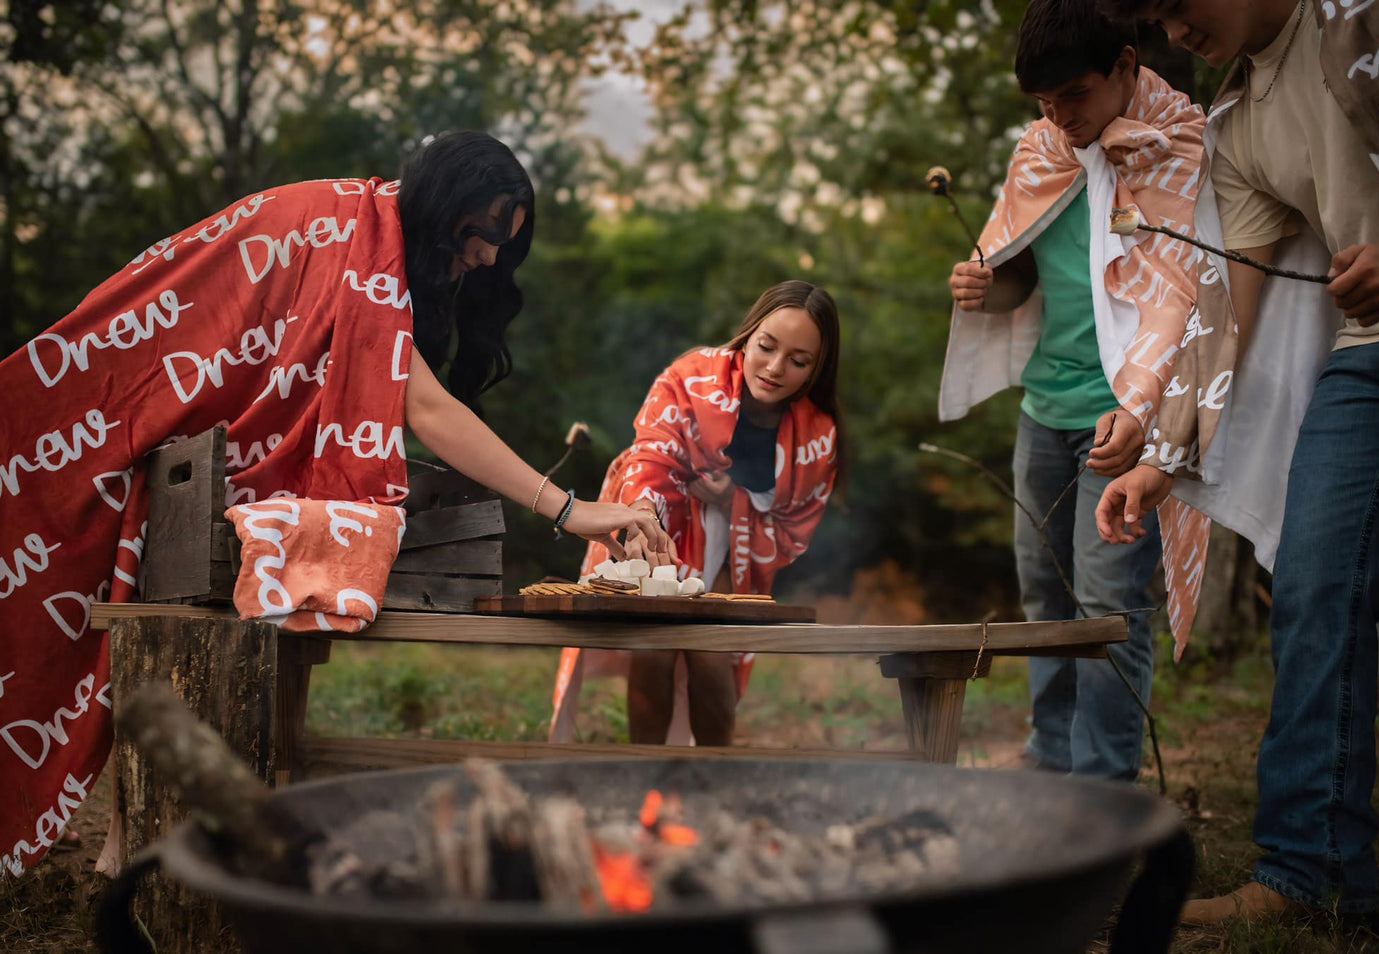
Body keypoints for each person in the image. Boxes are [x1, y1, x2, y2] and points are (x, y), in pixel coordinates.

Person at [0, 130, 671, 879]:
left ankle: (137, 844)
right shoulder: (354, 238)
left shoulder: (371, 233)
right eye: (482, 234)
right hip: (127, 407)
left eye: (501, 247)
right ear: (442, 203)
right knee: (88, 598)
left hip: (194, 447)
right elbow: (427, 408)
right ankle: (135, 846)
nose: (487, 258)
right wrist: (570, 510)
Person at [1095, 0, 1379, 925]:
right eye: (1153, 18)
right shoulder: (1238, 121)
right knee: (1313, 583)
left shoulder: (1377, 10)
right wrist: (1162, 456)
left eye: (1176, 4)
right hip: (1371, 355)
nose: (1172, 31)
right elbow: (1227, 311)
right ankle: (1311, 877)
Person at [940, 0, 1216, 781]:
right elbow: (1018, 280)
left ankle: (1100, 787)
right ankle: (1049, 757)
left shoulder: (1181, 149)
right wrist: (981, 287)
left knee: (1107, 609)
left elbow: (1194, 296)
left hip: (1123, 420)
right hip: (1042, 411)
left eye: (1074, 96)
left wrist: (1145, 412)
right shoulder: (1042, 149)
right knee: (1042, 597)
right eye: (1043, 103)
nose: (1059, 118)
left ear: (1126, 67)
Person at [549, 280, 843, 746]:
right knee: (653, 649)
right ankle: (647, 776)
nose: (774, 368)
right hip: (665, 524)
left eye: (798, 361)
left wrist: (736, 502)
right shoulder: (692, 376)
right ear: (749, 334)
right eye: (766, 347)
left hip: (736, 549)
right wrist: (642, 517)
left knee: (712, 655)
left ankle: (714, 777)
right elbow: (652, 455)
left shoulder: (817, 433)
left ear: (816, 368)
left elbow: (796, 521)